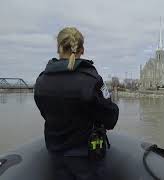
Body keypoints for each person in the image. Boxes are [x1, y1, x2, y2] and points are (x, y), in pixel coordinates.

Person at [34, 27, 119, 180]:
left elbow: (45, 113)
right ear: (82, 50)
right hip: (87, 159)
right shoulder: (91, 80)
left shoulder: (41, 81)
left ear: (59, 48)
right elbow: (110, 118)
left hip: (56, 155)